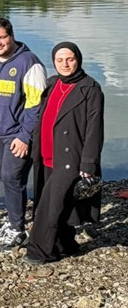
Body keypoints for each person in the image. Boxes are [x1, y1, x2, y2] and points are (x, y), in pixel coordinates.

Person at [26, 43, 104, 265]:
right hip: (46, 154)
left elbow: (94, 129)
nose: (65, 64)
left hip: (70, 157)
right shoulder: (52, 84)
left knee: (49, 207)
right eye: (59, 60)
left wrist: (89, 163)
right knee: (61, 202)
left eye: (69, 59)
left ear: (78, 59)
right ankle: (65, 244)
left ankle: (39, 251)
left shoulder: (90, 88)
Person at [0, 17, 47, 252]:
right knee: (4, 177)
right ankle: (13, 222)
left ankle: (18, 230)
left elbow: (36, 105)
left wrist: (26, 136)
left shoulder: (30, 63)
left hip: (17, 135)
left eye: (2, 37)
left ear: (11, 36)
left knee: (12, 178)